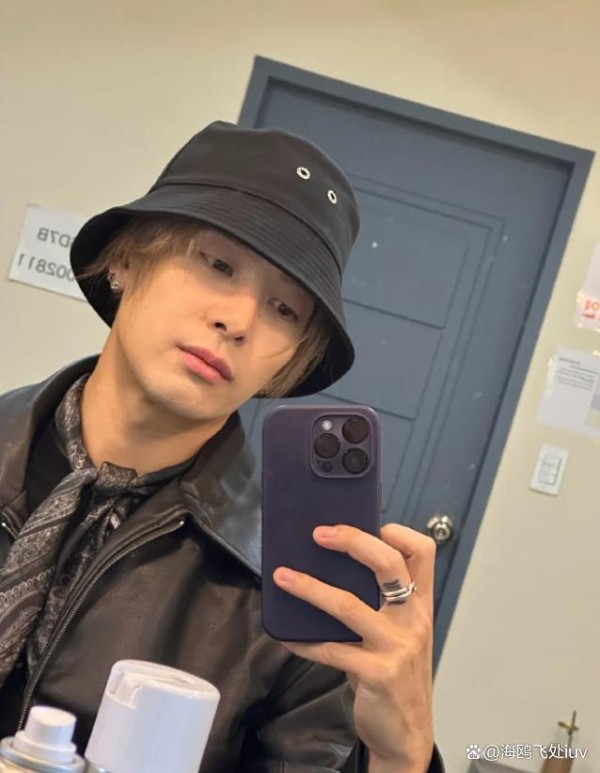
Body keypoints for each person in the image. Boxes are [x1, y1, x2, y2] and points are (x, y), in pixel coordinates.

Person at [0, 121, 443, 771]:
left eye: (284, 310)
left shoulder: (298, 591)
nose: (237, 321)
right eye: (217, 264)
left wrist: (400, 755)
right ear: (126, 259)